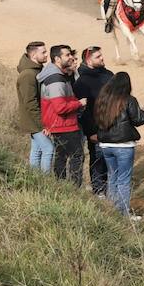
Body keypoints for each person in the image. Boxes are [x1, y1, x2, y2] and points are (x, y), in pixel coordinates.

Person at [94, 71, 144, 217]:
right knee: (124, 180)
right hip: (123, 145)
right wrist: (142, 112)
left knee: (112, 177)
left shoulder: (103, 99)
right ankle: (123, 214)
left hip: (105, 145)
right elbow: (138, 120)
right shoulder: (129, 99)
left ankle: (113, 211)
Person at [37, 45, 87, 185]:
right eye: (67, 55)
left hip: (59, 124)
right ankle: (73, 188)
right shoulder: (56, 79)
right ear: (57, 59)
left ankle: (61, 186)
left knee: (61, 157)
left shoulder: (57, 75)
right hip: (64, 124)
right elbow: (59, 107)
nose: (71, 57)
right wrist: (80, 103)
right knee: (76, 156)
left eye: (71, 54)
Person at [73, 46, 115, 196]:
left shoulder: (109, 75)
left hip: (114, 127)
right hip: (95, 129)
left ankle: (113, 190)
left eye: (101, 55)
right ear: (89, 60)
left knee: (112, 161)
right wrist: (90, 132)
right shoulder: (81, 82)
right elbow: (83, 111)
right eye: (98, 57)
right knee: (98, 160)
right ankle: (99, 190)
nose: (102, 58)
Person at [16, 41, 53, 173]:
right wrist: (42, 124)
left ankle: (35, 180)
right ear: (33, 55)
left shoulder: (37, 71)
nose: (46, 54)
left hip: (37, 120)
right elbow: (30, 102)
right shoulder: (28, 75)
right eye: (43, 52)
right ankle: (45, 182)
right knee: (48, 149)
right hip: (34, 121)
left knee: (36, 151)